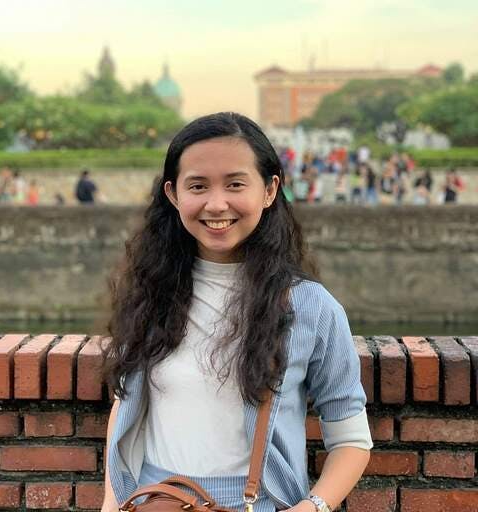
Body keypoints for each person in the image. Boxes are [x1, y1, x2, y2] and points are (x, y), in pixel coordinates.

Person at [101, 113, 373, 512]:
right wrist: (111, 502)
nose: (216, 203)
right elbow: (126, 403)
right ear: (174, 194)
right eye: (198, 186)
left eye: (235, 184)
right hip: (153, 502)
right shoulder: (152, 291)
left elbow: (350, 437)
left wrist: (312, 507)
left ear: (269, 189)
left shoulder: (311, 306)